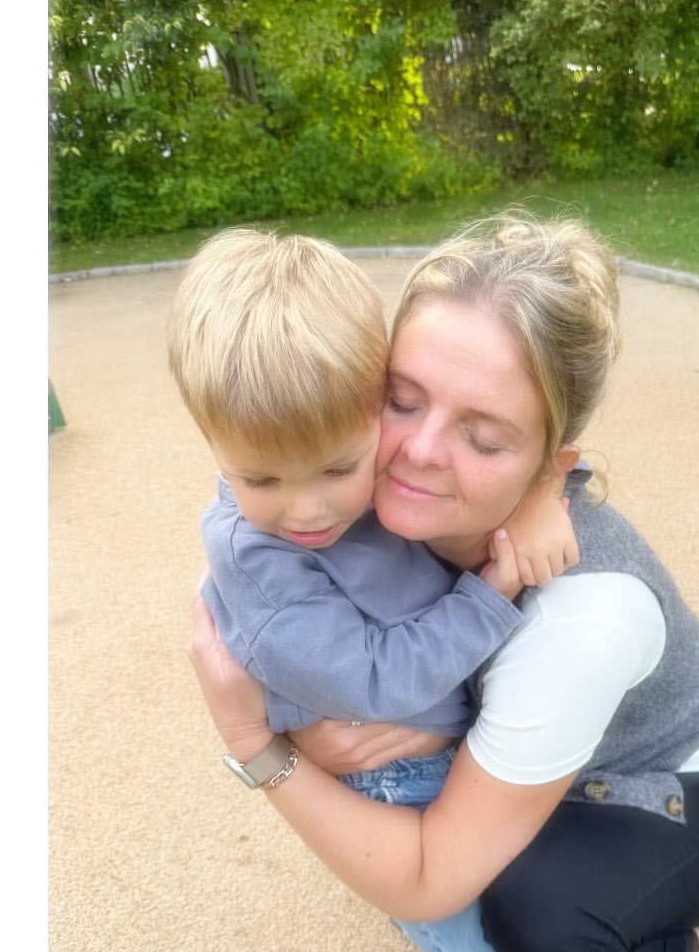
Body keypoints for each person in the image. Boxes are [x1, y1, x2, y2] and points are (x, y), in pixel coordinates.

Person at [186, 214, 699, 952]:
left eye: (485, 435)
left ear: (551, 459)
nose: (418, 451)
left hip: (678, 788)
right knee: (401, 817)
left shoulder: (577, 623)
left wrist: (257, 744)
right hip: (560, 726)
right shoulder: (361, 497)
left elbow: (426, 880)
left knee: (534, 925)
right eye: (401, 398)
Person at [167, 228, 576, 794]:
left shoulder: (355, 448)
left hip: (437, 726)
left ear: (376, 402)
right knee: (460, 854)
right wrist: (492, 594)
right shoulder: (263, 562)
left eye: (338, 470)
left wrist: (541, 493)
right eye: (260, 480)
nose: (307, 512)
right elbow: (376, 681)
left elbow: (519, 421)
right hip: (394, 767)